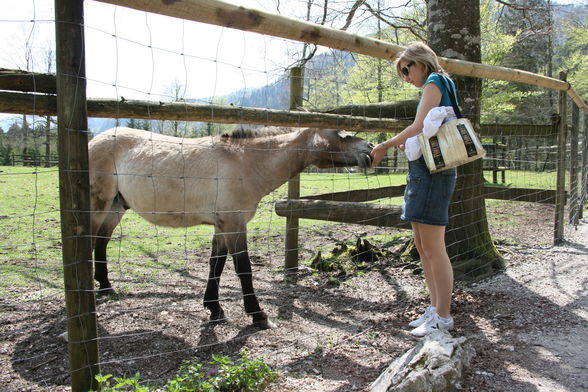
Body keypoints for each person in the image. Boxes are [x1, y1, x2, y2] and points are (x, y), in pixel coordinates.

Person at [371, 42, 458, 337]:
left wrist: (384, 144)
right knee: (422, 246)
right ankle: (435, 309)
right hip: (426, 169)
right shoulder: (436, 84)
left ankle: (444, 317)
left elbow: (420, 125)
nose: (406, 77)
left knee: (434, 247)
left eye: (406, 69)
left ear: (421, 62)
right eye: (402, 73)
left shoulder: (435, 81)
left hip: (435, 171)